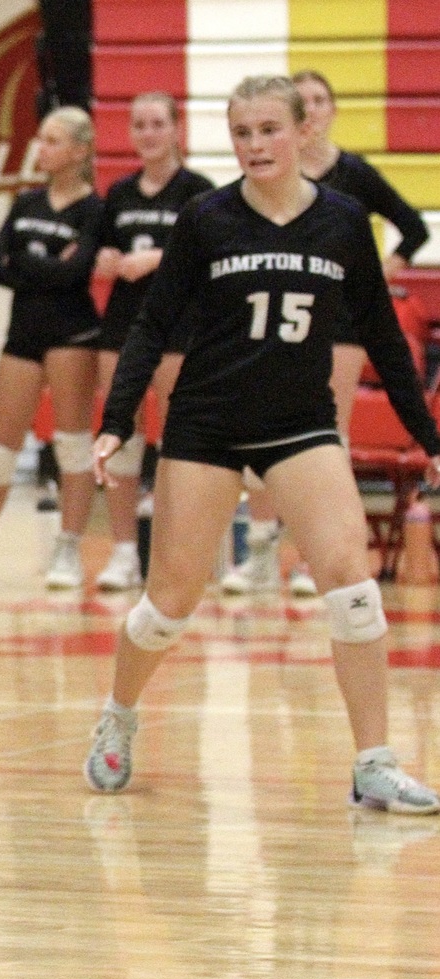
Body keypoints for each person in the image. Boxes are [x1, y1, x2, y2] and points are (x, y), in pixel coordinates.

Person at [86, 75, 440, 813]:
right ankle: (118, 713)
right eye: (241, 132)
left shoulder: (343, 221)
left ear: (302, 130)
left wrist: (428, 435)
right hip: (207, 423)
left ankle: (374, 764)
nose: (255, 146)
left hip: (300, 422)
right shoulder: (205, 218)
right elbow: (152, 324)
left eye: (269, 129)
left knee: (352, 585)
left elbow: (380, 333)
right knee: (169, 602)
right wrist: (116, 419)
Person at [226, 69, 434, 597]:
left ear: (331, 111)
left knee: (324, 439)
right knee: (262, 431)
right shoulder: (264, 181)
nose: (314, 110)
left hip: (339, 320)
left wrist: (378, 271)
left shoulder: (353, 174)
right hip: (275, 316)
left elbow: (414, 226)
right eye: (306, 101)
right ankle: (261, 551)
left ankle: (316, 557)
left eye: (322, 100)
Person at [0, 106, 103, 590]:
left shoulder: (95, 210)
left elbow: (77, 273)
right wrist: (46, 262)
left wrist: (28, 263)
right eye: (41, 138)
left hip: (73, 335)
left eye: (52, 141)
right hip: (23, 333)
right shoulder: (26, 203)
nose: (41, 149)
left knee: (72, 445)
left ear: (78, 151)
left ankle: (68, 549)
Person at [91, 93, 215, 591]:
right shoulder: (118, 194)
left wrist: (159, 258)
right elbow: (97, 250)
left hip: (179, 331)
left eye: (157, 123)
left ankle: (177, 550)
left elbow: (209, 258)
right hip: (123, 326)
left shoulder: (198, 191)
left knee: (179, 440)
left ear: (176, 128)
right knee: (119, 437)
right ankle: (124, 551)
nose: (147, 133)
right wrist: (102, 260)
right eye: (138, 124)